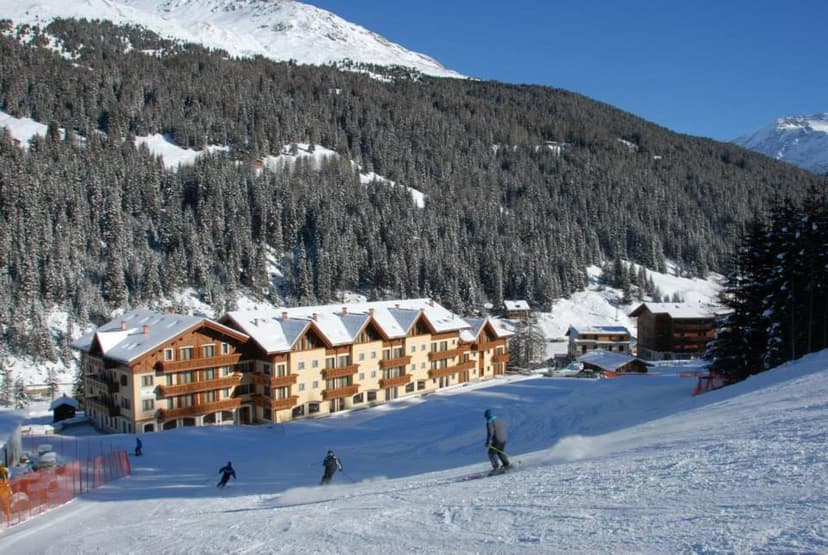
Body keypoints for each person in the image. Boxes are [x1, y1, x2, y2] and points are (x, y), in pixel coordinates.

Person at [484, 408, 511, 475]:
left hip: (497, 440)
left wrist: (488, 442)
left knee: (491, 453)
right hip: (503, 439)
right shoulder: (498, 419)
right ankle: (506, 464)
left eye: (486, 417)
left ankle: (496, 468)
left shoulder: (489, 422)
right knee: (500, 451)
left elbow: (490, 433)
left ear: (487, 416)